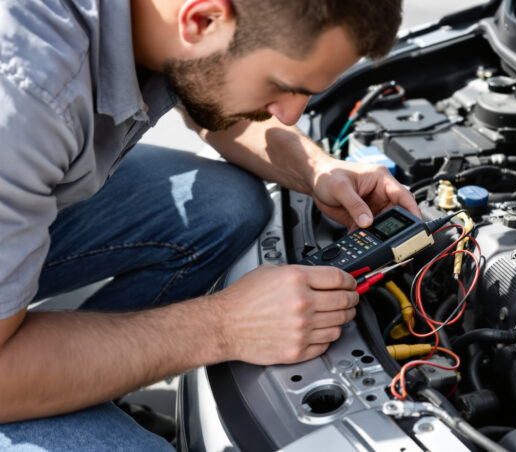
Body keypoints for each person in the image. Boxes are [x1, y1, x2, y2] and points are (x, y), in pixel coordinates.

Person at [0, 0, 414, 449]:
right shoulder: (25, 97)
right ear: (202, 20)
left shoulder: (162, 21)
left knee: (226, 207)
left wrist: (316, 169)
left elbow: (209, 98)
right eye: (279, 85)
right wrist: (224, 326)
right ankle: (52, 386)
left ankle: (72, 382)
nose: (292, 114)